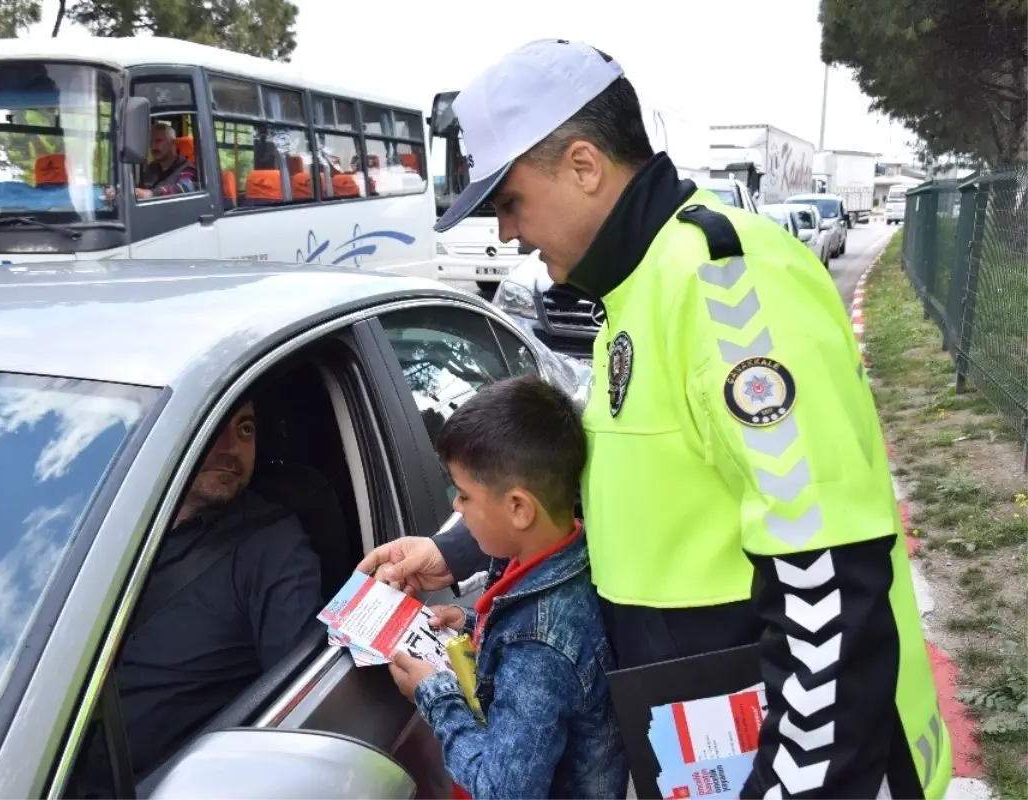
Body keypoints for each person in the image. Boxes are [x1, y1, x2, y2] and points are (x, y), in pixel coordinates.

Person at [361, 38, 950, 800]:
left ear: (583, 165)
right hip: (713, 751)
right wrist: (463, 549)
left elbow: (829, 589)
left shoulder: (728, 290)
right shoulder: (634, 295)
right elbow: (632, 490)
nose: (507, 233)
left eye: (510, 202)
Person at [387, 375, 628, 800]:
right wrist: (473, 621)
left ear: (518, 508)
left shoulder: (539, 645)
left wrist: (435, 696)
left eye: (463, 496)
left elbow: (504, 791)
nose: (455, 507)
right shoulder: (572, 553)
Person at [72, 396, 322, 794]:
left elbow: (308, 702)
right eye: (214, 426)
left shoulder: (273, 546)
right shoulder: (91, 520)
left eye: (245, 429)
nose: (232, 448)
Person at [106, 122, 197, 203]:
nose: (153, 147)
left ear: (172, 143)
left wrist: (152, 194)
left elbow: (186, 188)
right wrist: (118, 190)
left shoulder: (187, 169)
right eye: (151, 142)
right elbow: (137, 188)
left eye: (158, 141)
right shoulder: (152, 168)